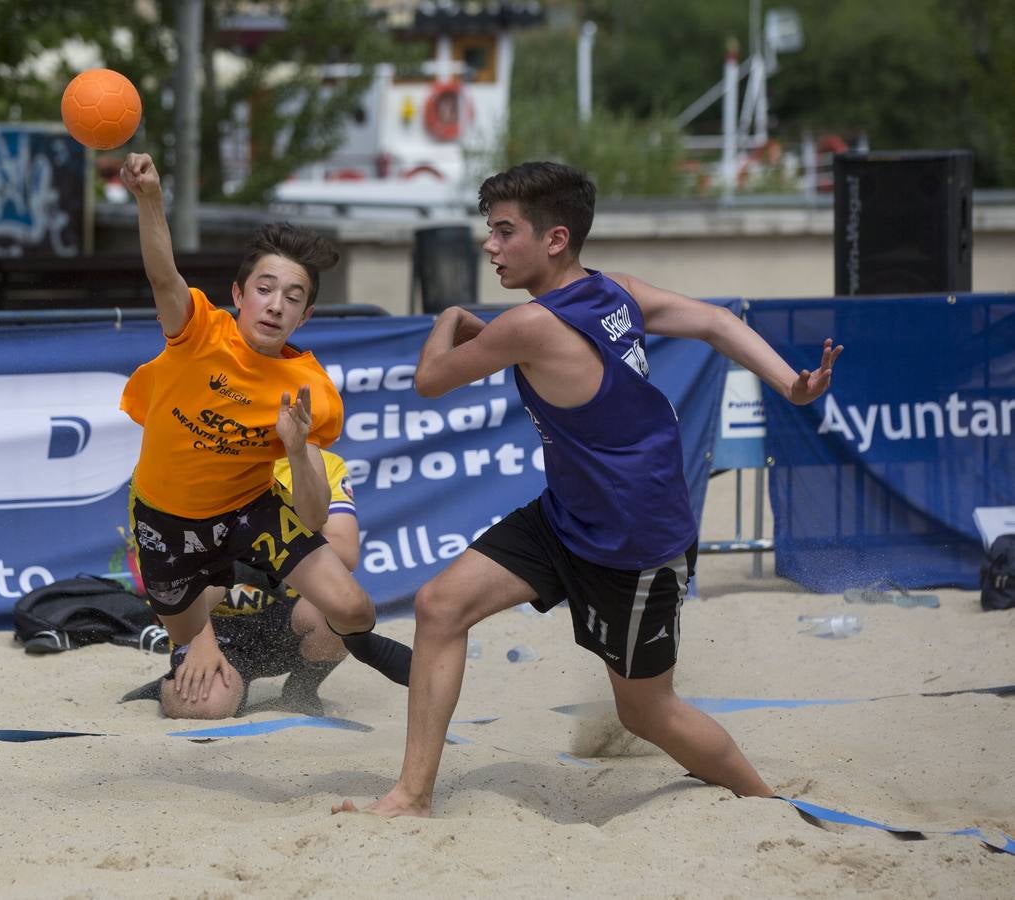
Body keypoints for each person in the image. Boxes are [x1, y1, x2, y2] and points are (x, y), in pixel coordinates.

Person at [335, 161, 843, 817]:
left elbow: (430, 379)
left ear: (554, 239)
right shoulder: (614, 292)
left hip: (632, 541)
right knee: (439, 606)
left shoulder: (529, 325)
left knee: (646, 713)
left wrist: (451, 317)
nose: (489, 245)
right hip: (568, 514)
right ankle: (411, 794)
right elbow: (717, 321)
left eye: (502, 231)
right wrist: (789, 384)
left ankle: (766, 803)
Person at [118, 152, 409, 689]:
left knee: (354, 607)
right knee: (186, 637)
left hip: (248, 510)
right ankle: (195, 665)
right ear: (238, 295)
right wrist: (150, 198)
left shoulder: (311, 390)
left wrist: (298, 450)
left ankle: (349, 654)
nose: (276, 305)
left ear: (306, 316)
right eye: (265, 289)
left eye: (293, 298)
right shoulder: (198, 331)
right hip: (167, 520)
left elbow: (317, 515)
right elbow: (163, 274)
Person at [151, 449, 361, 719]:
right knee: (203, 706)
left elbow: (344, 552)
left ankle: (300, 692)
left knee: (344, 603)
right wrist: (202, 641)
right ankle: (170, 683)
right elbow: (177, 572)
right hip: (214, 619)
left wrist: (251, 559)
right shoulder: (197, 460)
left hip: (286, 613)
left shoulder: (320, 461)